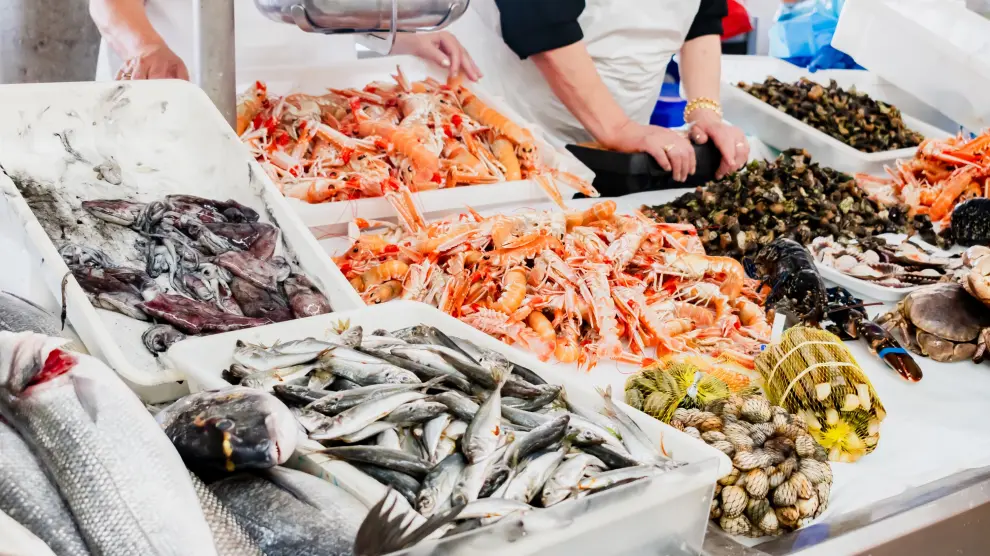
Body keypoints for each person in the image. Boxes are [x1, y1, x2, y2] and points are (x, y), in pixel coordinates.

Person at [450, 0, 750, 181]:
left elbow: (702, 18)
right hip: (511, 124)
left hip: (621, 145)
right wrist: (617, 127)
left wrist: (705, 112)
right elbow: (539, 20)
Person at [88, 0, 481, 83]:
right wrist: (144, 48)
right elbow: (110, 5)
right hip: (189, 91)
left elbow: (326, 7)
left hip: (306, 108)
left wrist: (393, 34)